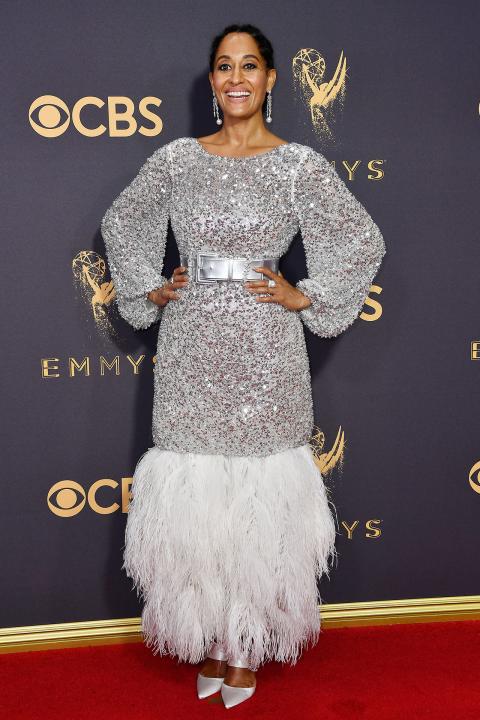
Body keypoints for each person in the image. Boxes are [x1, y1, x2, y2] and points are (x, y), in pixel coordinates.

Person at [101, 23, 386, 710]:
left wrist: (305, 295)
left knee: (259, 502)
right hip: (192, 346)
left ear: (270, 79)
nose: (237, 78)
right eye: (225, 66)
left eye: (249, 65)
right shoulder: (177, 161)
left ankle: (245, 645)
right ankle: (209, 635)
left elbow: (360, 240)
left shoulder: (298, 166)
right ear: (212, 81)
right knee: (198, 500)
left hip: (267, 350)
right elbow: (123, 223)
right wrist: (149, 288)